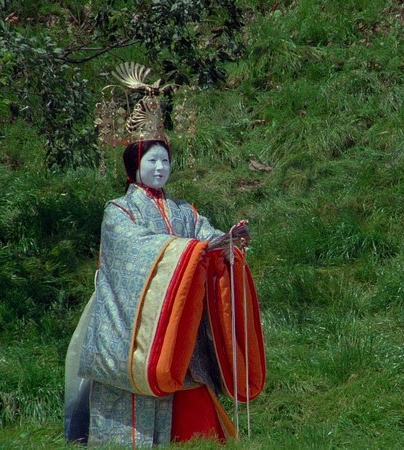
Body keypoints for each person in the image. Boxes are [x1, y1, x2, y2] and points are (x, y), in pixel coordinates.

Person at [64, 63, 265, 446]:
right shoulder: (118, 211)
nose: (160, 168)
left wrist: (226, 243)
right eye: (151, 161)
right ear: (134, 166)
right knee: (134, 402)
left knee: (186, 397)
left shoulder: (184, 211)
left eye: (165, 161)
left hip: (179, 323)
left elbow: (205, 238)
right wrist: (190, 253)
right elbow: (133, 251)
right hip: (129, 322)